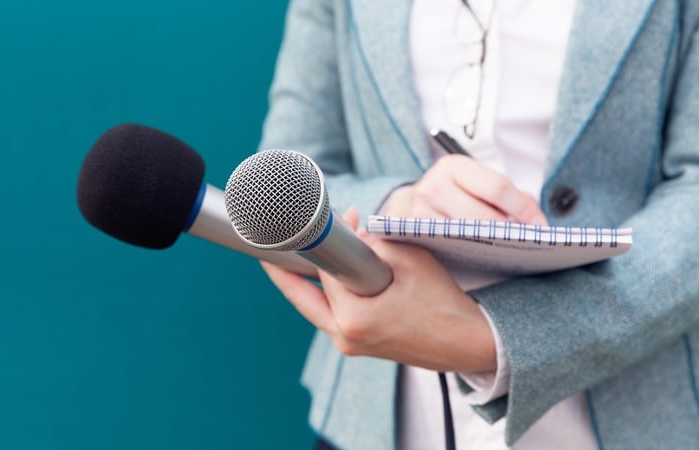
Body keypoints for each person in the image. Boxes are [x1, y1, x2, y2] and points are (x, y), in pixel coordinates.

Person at [256, 0, 699, 449]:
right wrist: (397, 208)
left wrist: (501, 339)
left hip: (637, 411)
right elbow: (283, 174)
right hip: (377, 422)